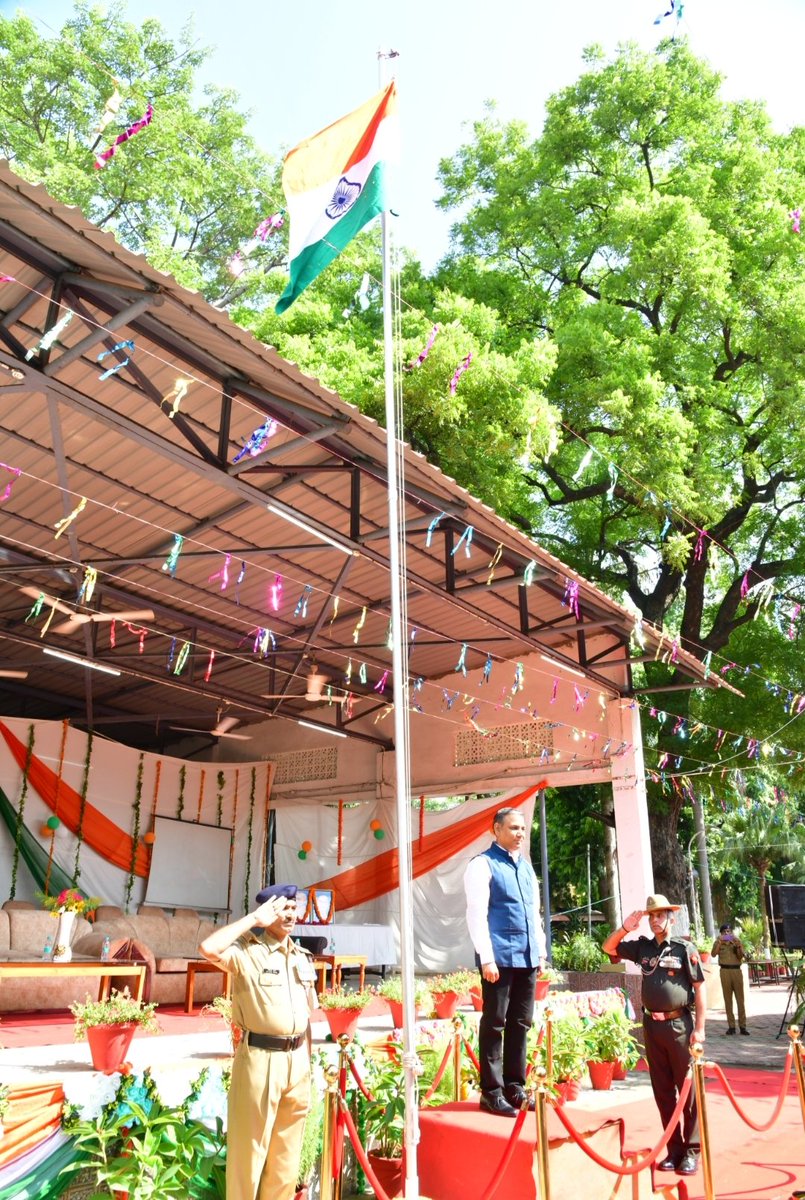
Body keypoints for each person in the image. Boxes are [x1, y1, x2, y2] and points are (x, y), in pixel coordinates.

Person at [199, 883, 317, 1200]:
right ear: (268, 911)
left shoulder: (302, 957)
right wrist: (253, 919)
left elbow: (306, 1017)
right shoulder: (248, 952)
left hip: (297, 1063)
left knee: (285, 1162)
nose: (291, 914)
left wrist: (308, 1062)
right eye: (283, 908)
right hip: (261, 1061)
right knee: (247, 1158)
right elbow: (208, 948)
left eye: (294, 908)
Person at [602, 894, 706, 1177]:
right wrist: (625, 928)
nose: (655, 919)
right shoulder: (643, 947)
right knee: (663, 1091)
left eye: (660, 915)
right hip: (652, 1026)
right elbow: (607, 947)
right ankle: (674, 1149)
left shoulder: (684, 948)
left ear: (670, 918)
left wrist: (700, 1029)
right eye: (651, 915)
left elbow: (699, 987)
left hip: (679, 1026)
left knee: (688, 1091)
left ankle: (693, 1151)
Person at [464, 807, 547, 1117]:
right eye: (513, 828)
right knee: (495, 1022)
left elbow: (534, 914)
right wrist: (486, 958)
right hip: (498, 958)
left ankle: (514, 1086)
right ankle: (492, 1091)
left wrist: (540, 953)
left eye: (523, 829)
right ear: (496, 830)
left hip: (526, 956)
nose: (520, 834)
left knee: (520, 1022)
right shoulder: (482, 865)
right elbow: (476, 914)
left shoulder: (526, 868)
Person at [711, 922, 749, 1036]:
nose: (727, 934)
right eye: (724, 932)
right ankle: (731, 1026)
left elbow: (741, 956)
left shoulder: (736, 942)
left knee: (740, 1000)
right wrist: (719, 941)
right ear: (721, 933)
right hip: (725, 971)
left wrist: (738, 945)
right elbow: (713, 954)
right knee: (728, 1000)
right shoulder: (718, 942)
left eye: (729, 932)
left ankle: (743, 1026)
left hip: (736, 971)